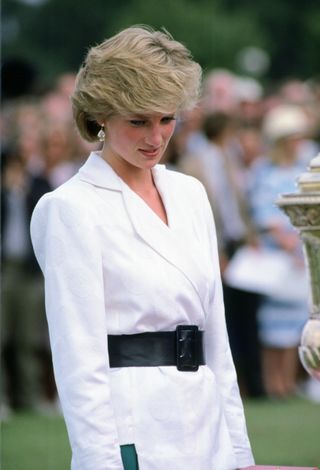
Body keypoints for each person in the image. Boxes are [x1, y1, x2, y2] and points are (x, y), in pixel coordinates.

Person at [30, 26, 254, 470]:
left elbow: (218, 340)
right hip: (132, 429)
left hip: (207, 423)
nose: (155, 136)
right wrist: (101, 461)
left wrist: (239, 450)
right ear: (100, 117)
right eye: (138, 121)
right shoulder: (70, 208)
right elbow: (78, 358)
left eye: (167, 118)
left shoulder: (190, 194)